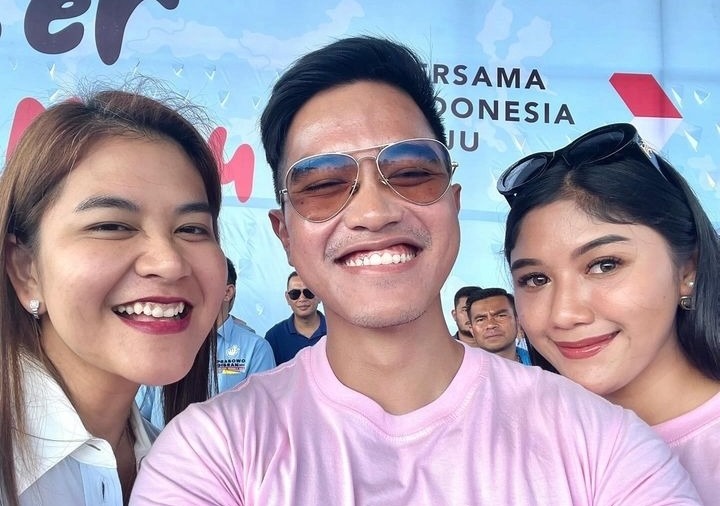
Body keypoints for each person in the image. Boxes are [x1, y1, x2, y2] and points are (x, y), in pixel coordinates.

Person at [130, 37, 701, 505]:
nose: (374, 212)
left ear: (452, 204)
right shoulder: (212, 454)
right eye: (323, 185)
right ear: (285, 234)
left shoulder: (601, 443)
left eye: (410, 173)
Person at [0, 88, 227, 506]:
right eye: (112, 226)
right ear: (25, 269)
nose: (169, 262)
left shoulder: (185, 466)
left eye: (192, 228)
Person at [498, 122, 720, 503]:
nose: (564, 314)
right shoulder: (510, 445)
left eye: (604, 265)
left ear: (688, 271)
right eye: (535, 279)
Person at [136, 256, 275, 427]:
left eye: (203, 281)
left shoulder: (255, 349)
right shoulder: (165, 342)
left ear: (227, 292)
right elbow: (139, 414)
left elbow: (261, 419)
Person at [264, 270, 326, 364]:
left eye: (308, 292)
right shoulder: (274, 337)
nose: (302, 299)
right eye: (294, 294)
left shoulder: (337, 332)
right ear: (287, 298)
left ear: (319, 295)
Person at [466, 287, 531, 364]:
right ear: (471, 329)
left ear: (517, 321)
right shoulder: (461, 369)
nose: (490, 325)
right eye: (481, 320)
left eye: (501, 316)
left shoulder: (540, 363)